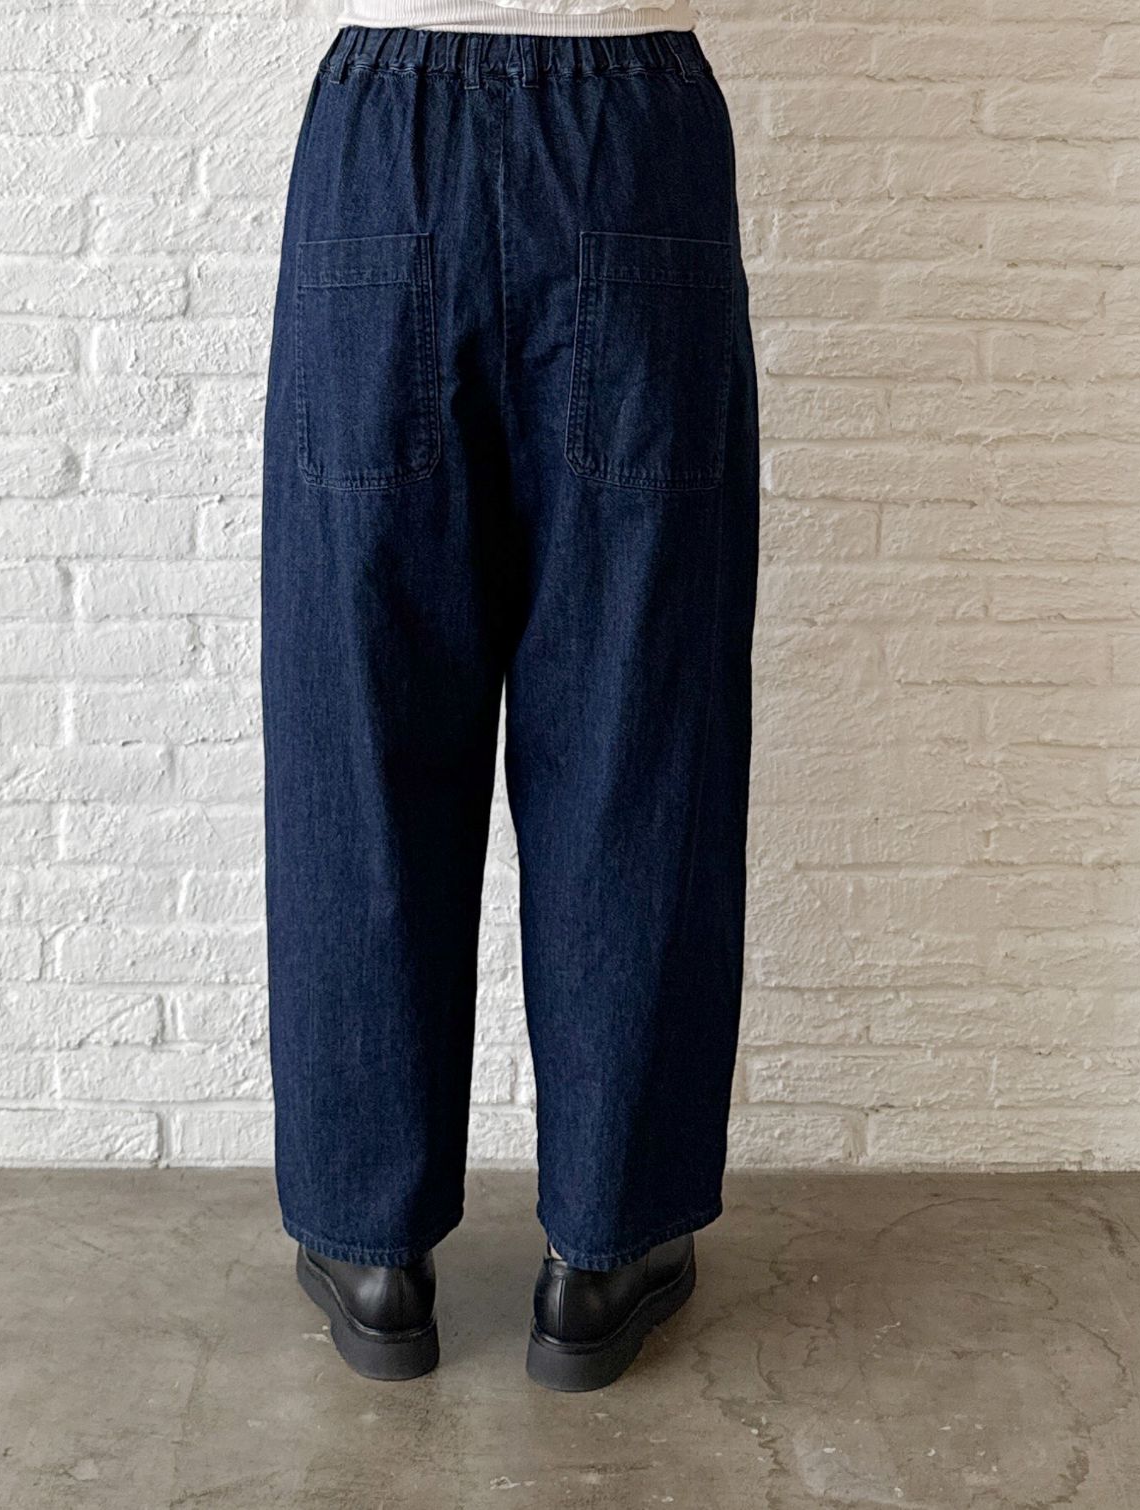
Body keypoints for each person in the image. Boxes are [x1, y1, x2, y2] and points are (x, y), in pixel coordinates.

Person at [259, 0, 759, 1391]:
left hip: (385, 132)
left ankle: (372, 1250)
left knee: (360, 713)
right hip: (633, 124)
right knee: (636, 714)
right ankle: (607, 1246)